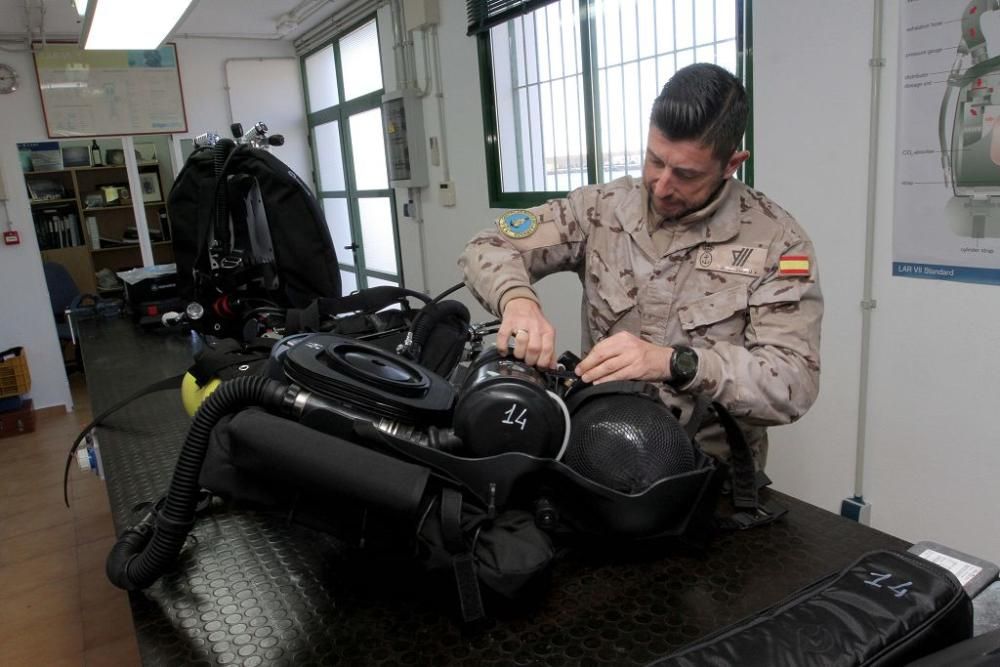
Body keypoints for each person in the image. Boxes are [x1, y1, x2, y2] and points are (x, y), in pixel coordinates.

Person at [459, 63, 823, 466]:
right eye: (654, 160)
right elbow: (487, 245)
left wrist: (674, 362)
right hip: (596, 454)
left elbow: (793, 383)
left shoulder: (777, 243)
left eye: (686, 174)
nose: (662, 186)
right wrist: (517, 300)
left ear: (731, 164)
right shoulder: (600, 210)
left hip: (707, 477)